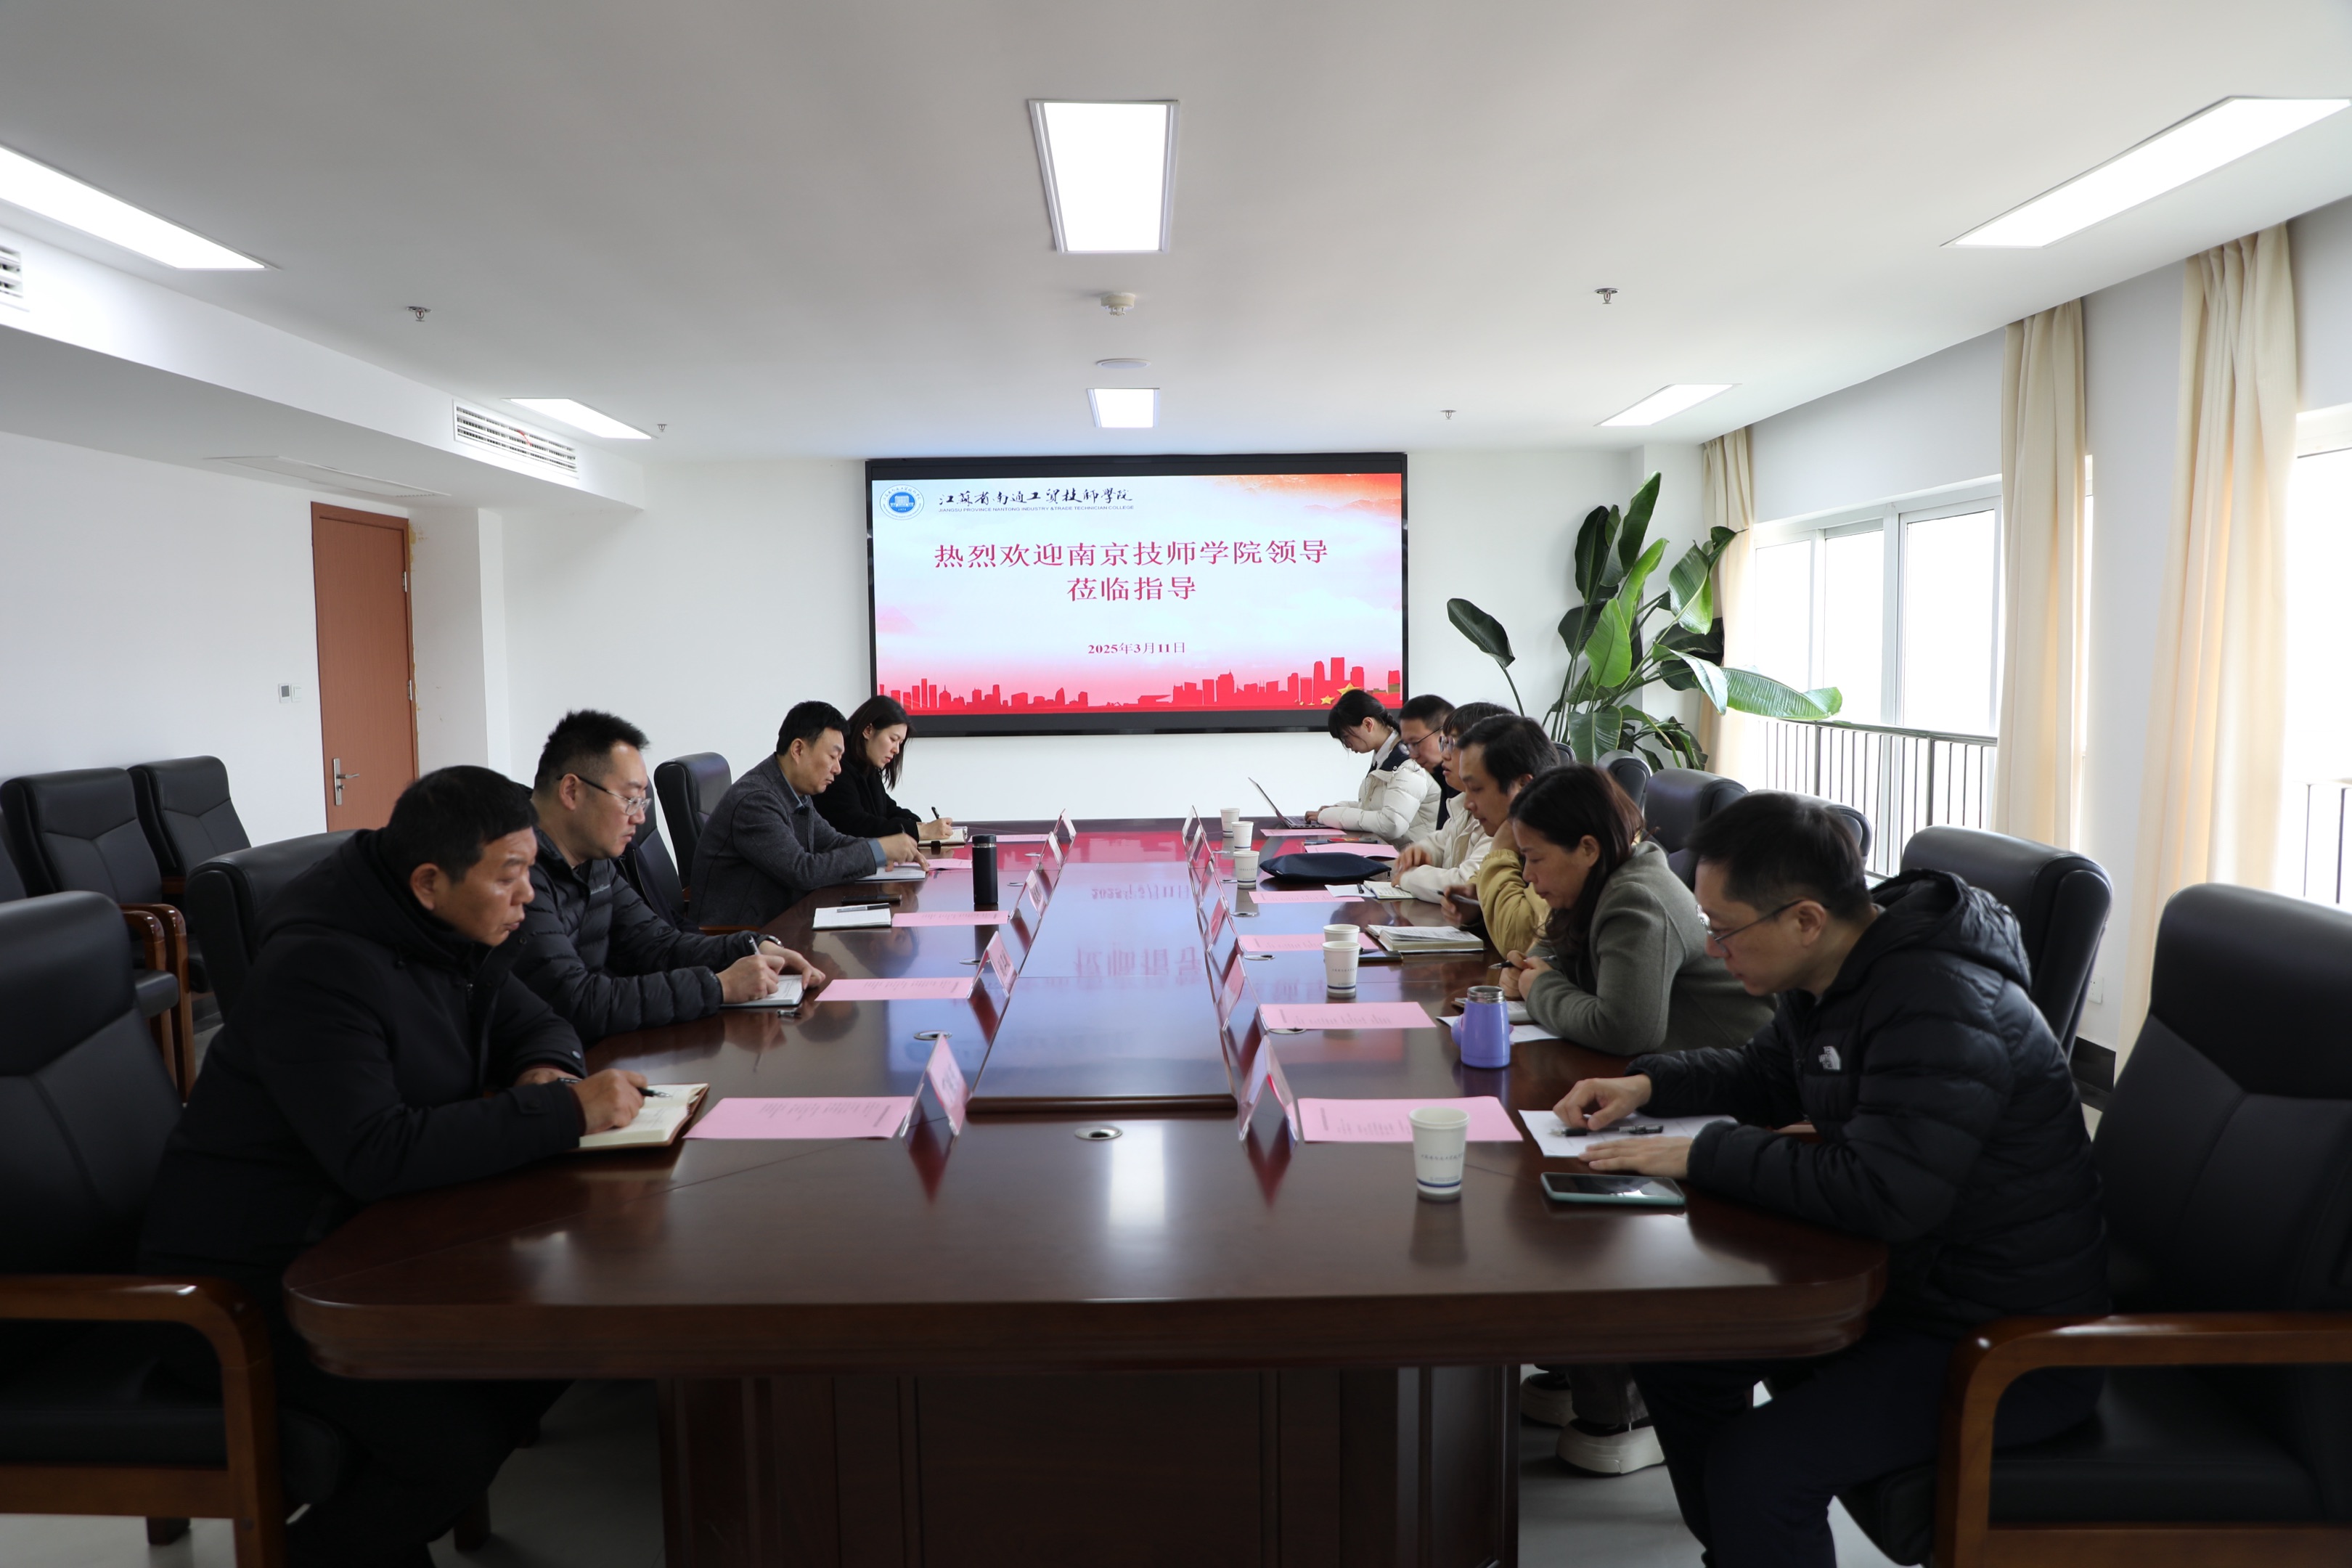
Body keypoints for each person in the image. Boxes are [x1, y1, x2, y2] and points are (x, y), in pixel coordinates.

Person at [1559, 793, 2107, 1568]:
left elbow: (1883, 1190)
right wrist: (1647, 1086)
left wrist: (1705, 1152)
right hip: (1908, 1290)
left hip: (2003, 1341)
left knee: (1761, 1466)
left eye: (1724, 929)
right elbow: (1765, 1076)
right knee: (1677, 1354)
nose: (1712, 947)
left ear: (1806, 920)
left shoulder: (1939, 1003)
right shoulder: (1838, 971)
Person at [139, 767, 650, 1568]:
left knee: (548, 1357)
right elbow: (375, 1152)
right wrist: (561, 1114)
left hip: (367, 1242)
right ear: (428, 882)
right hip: (254, 1283)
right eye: (510, 876)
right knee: (453, 1444)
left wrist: (547, 1074)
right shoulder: (320, 967)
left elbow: (537, 1021)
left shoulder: (444, 927)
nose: (529, 895)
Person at [1497, 764, 1776, 1474]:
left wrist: (1538, 987)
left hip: (1734, 1093)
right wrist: (1540, 971)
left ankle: (1628, 1399)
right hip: (1675, 1081)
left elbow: (1624, 1026)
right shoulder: (1604, 882)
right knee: (1538, 1175)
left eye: (1535, 859)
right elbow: (1555, 959)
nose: (1528, 877)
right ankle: (1583, 1367)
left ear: (1588, 848)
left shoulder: (1635, 897)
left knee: (1571, 1184)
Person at [515, 709, 825, 1044]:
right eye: (630, 800)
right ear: (571, 791)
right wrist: (719, 986)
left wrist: (751, 946)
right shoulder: (517, 877)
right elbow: (577, 1001)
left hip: (605, 1043)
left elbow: (658, 945)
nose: (639, 818)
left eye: (642, 802)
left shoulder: (595, 861)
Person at [693, 701, 928, 928]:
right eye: (833, 757)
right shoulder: (756, 800)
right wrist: (878, 851)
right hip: (741, 937)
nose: (838, 769)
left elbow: (832, 842)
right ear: (798, 750)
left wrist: (884, 851)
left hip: (782, 922)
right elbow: (803, 871)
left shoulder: (796, 792)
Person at [1448, 714, 1560, 946]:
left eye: (1476, 788)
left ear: (1524, 785)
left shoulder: (1562, 838)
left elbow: (1521, 943)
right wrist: (1476, 909)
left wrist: (1500, 851)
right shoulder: (1524, 832)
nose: (1467, 803)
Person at [1392, 699, 1508, 902]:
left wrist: (1408, 878)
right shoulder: (1462, 801)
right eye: (1443, 743)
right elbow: (1442, 840)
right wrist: (1424, 851)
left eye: (1452, 744)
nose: (1444, 754)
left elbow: (1468, 884)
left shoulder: (1498, 814)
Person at [816, 694, 955, 843]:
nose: (897, 750)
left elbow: (888, 810)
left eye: (900, 743)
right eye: (893, 739)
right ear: (868, 730)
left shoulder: (868, 769)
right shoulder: (838, 771)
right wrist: (919, 830)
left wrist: (917, 824)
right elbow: (857, 825)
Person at [1308, 687, 1439, 845]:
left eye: (1346, 737)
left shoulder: (1408, 763)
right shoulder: (1385, 757)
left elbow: (1392, 824)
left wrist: (1332, 816)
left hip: (1419, 858)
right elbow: (1374, 808)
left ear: (1368, 724)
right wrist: (1335, 810)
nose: (1347, 745)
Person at [1395, 693, 1458, 828]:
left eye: (1416, 743)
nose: (1413, 755)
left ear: (1445, 734)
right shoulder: (1443, 778)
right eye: (1407, 745)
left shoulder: (1463, 784)